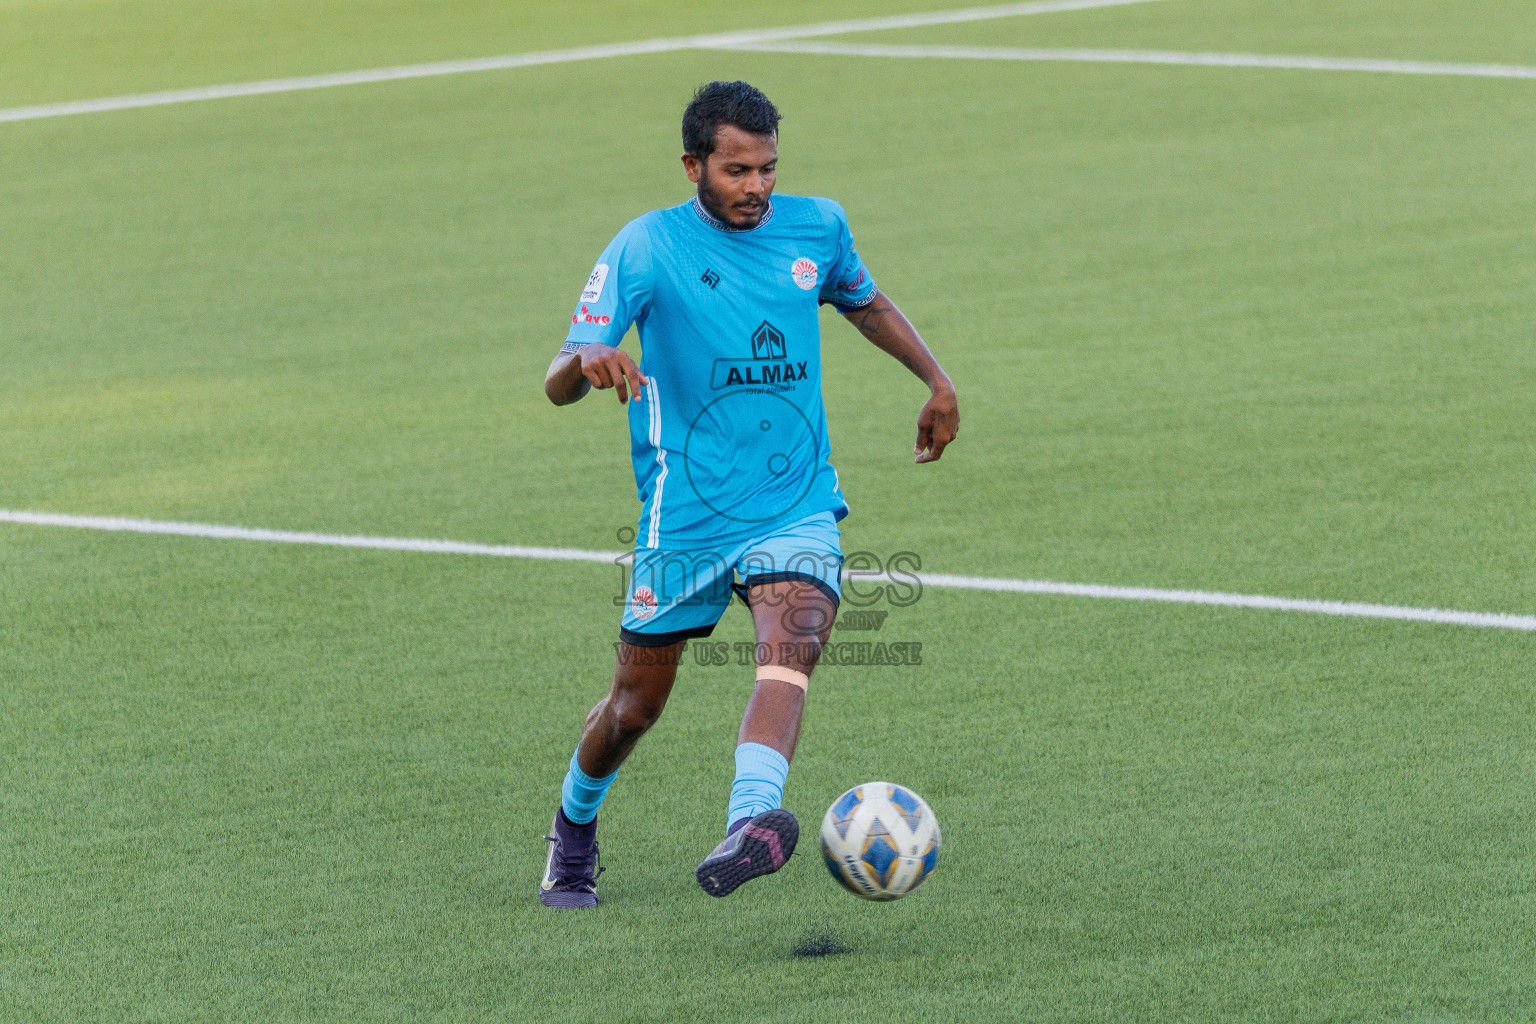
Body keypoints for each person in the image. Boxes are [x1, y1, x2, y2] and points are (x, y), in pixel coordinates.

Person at [539, 80, 958, 907]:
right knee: (633, 708)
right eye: (736, 171)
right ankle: (573, 830)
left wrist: (937, 380)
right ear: (693, 165)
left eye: (767, 168)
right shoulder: (645, 247)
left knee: (796, 629)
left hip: (793, 498)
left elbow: (862, 302)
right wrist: (586, 368)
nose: (756, 188)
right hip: (685, 512)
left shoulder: (817, 224)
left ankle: (749, 822)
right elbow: (560, 376)